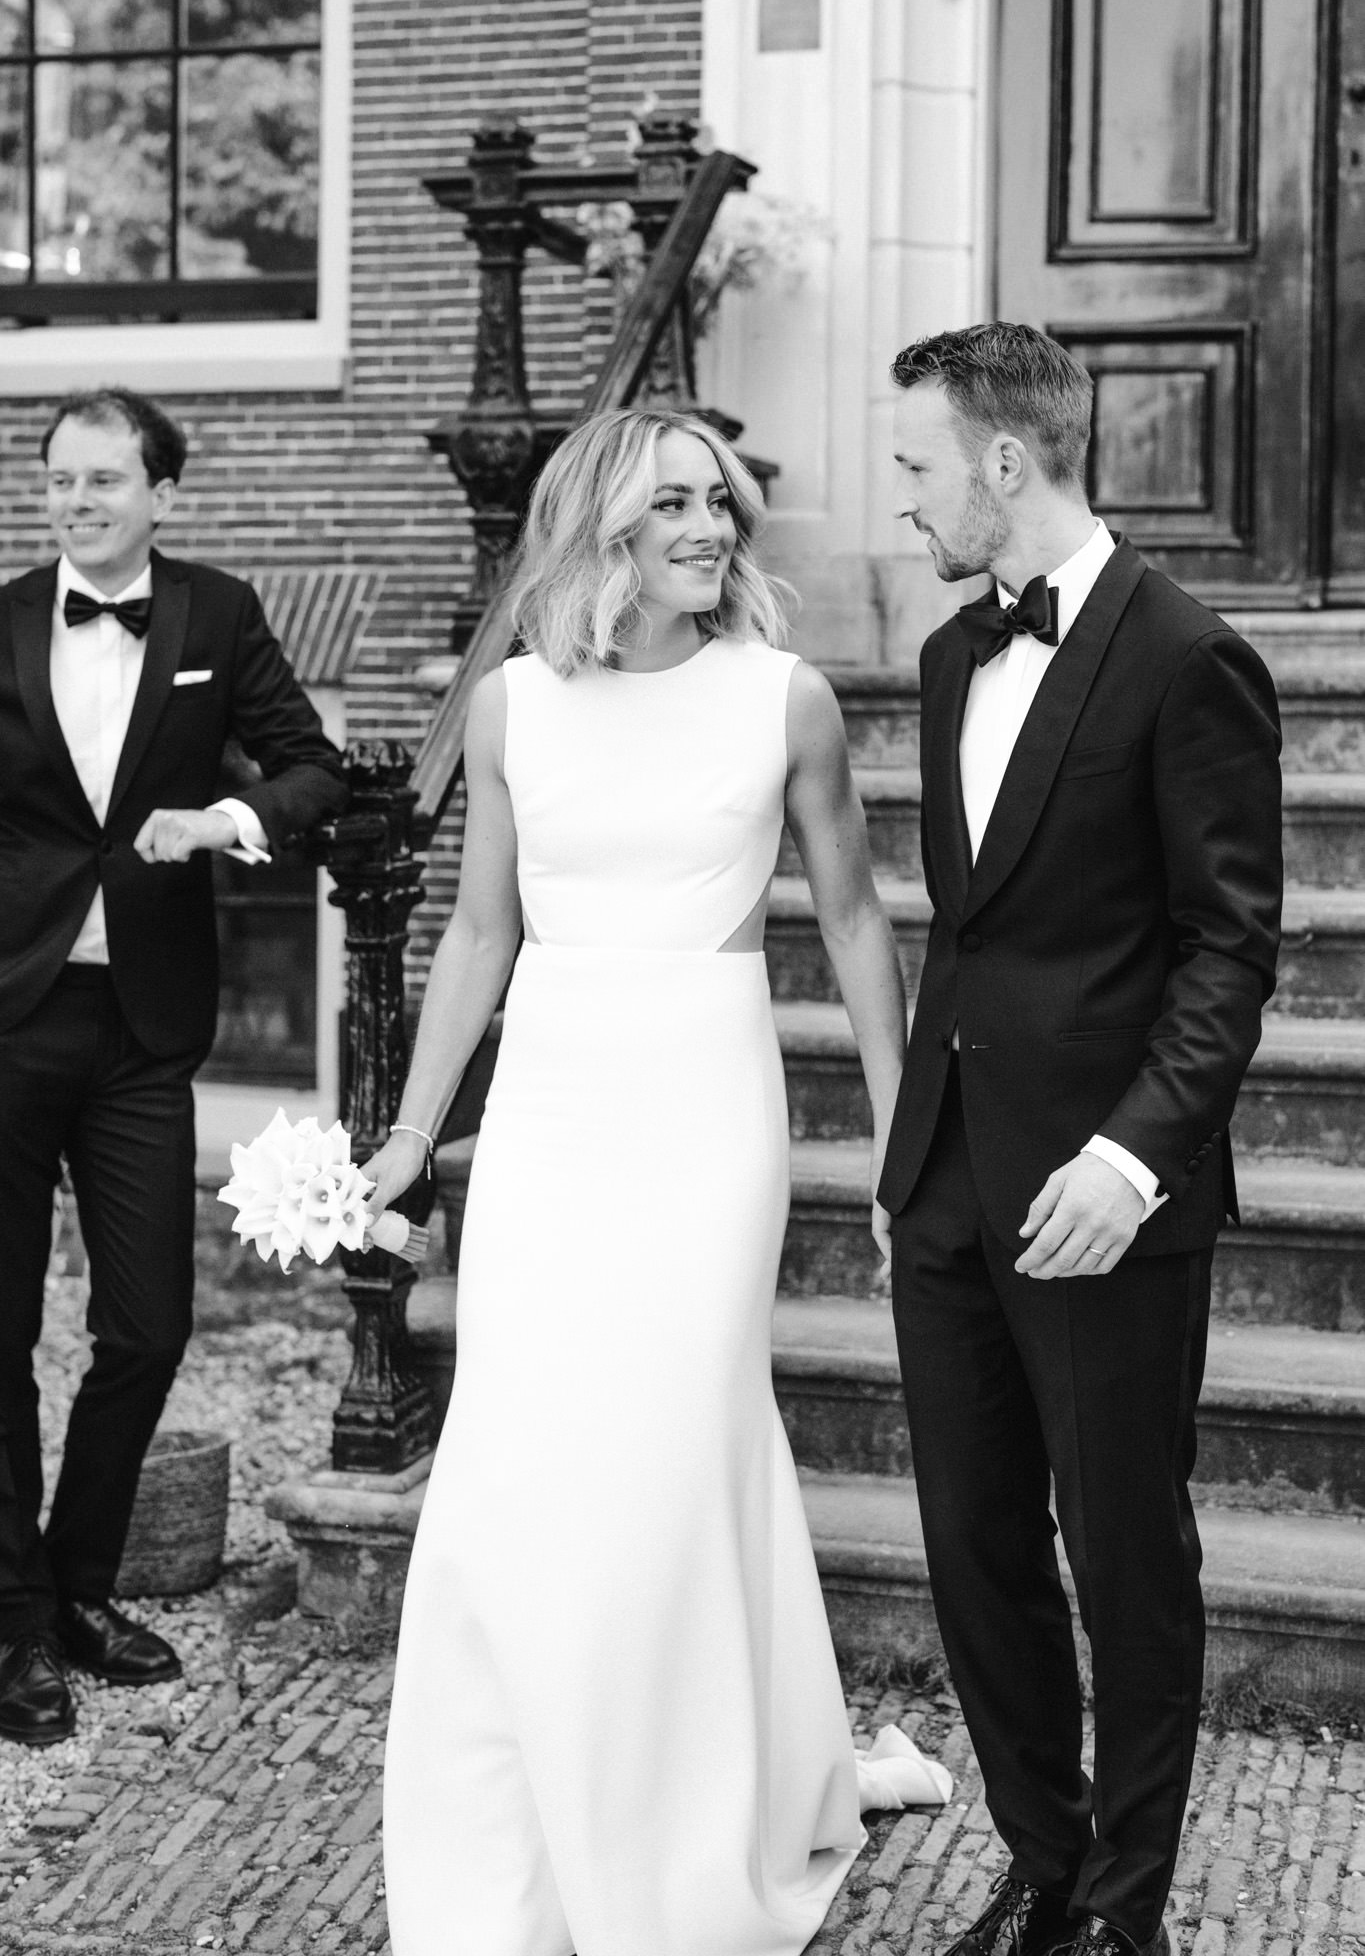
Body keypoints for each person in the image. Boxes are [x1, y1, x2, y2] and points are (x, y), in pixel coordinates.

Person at [365, 407, 944, 1956]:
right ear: (602, 527)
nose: (712, 528)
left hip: (704, 1103)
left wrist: (899, 1130)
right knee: (517, 1447)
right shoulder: (507, 711)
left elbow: (854, 918)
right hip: (554, 1099)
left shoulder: (787, 702)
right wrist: (417, 1138)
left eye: (721, 504)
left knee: (678, 1443)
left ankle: (691, 1819)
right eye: (676, 504)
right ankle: (515, 1821)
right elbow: (479, 933)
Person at [877, 324, 1283, 1956]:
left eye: (911, 467)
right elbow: (975, 933)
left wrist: (1132, 1160)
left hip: (1102, 1197)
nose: (896, 501)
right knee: (975, 1555)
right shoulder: (943, 659)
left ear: (1000, 462)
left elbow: (1227, 946)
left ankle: (1127, 1909)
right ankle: (1041, 1867)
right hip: (948, 1184)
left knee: (1124, 1561)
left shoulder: (1187, 656)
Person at [0, 388, 348, 1745]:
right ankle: (14, 1621)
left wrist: (224, 817)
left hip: (145, 1028)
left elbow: (312, 769)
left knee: (146, 1327)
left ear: (160, 491)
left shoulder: (214, 616)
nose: (76, 502)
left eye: (102, 481)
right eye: (57, 482)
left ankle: (81, 1585)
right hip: (10, 1017)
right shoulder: (9, 615)